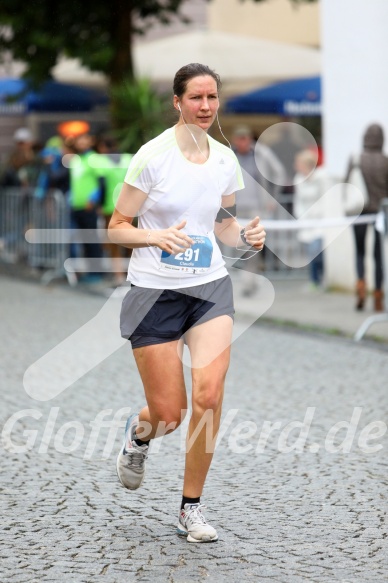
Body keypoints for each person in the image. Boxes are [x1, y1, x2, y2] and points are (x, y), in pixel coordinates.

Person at [108, 63, 266, 543]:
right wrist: (154, 235)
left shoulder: (224, 159)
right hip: (154, 294)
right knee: (169, 414)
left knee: (209, 396)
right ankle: (139, 436)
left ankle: (190, 508)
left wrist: (247, 235)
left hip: (209, 288)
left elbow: (221, 224)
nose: (204, 106)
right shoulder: (152, 157)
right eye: (195, 98)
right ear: (177, 102)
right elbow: (115, 227)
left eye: (212, 97)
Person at [232, 124, 284, 294]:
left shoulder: (261, 154)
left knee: (252, 246)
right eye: (239, 140)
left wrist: (272, 198)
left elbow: (279, 172)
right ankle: (248, 279)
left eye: (245, 139)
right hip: (235, 209)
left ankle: (249, 281)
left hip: (256, 208)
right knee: (238, 246)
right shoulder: (230, 156)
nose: (242, 143)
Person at [345, 123, 388, 311]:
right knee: (378, 255)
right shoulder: (385, 161)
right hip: (380, 212)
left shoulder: (356, 159)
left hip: (359, 212)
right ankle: (378, 296)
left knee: (360, 251)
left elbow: (346, 184)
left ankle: (361, 287)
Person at [293, 149, 329, 289]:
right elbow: (299, 200)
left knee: (318, 250)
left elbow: (324, 199)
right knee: (310, 252)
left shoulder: (321, 177)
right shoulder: (298, 179)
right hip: (305, 221)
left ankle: (322, 278)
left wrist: (316, 214)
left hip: (319, 220)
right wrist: (300, 216)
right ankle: (314, 280)